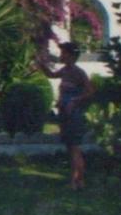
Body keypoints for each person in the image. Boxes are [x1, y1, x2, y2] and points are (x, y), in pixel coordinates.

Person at [37, 41, 94, 190]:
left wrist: (75, 101)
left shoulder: (78, 72)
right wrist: (41, 64)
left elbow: (89, 91)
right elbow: (51, 74)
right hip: (65, 113)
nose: (61, 55)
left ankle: (77, 181)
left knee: (74, 147)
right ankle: (78, 181)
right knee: (71, 147)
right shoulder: (65, 70)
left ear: (70, 55)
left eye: (63, 53)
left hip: (73, 114)